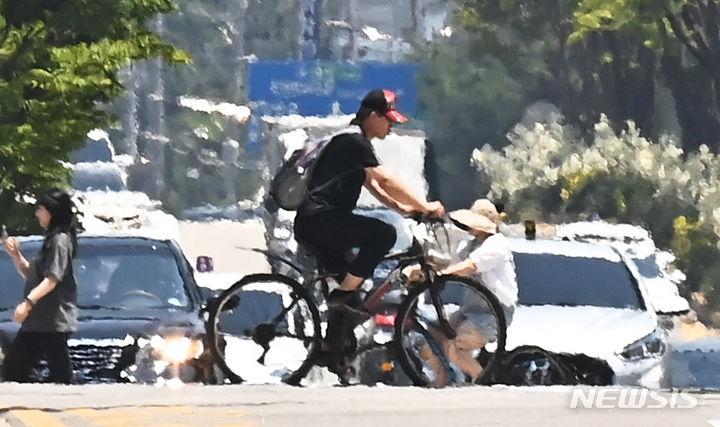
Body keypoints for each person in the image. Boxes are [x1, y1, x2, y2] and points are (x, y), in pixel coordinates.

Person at [293, 89, 445, 354]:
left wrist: (402, 208)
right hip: (321, 220)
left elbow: (372, 183)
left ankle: (330, 349)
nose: (391, 127)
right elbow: (385, 178)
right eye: (389, 121)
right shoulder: (354, 141)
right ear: (373, 116)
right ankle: (341, 297)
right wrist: (425, 206)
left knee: (350, 293)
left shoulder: (352, 141)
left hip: (317, 222)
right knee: (383, 234)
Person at [404, 204, 517, 386]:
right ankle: (441, 383)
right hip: (470, 310)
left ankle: (481, 381)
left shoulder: (497, 244)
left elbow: (469, 266)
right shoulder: (469, 244)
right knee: (432, 340)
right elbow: (450, 264)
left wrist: (441, 275)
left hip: (494, 314)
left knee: (454, 347)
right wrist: (419, 270)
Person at [2, 188, 80, 383]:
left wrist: (27, 303)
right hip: (38, 322)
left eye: (40, 209)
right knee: (13, 371)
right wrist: (16, 255)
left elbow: (52, 279)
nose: (37, 213)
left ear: (51, 211)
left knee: (60, 375)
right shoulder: (51, 239)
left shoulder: (60, 240)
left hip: (52, 321)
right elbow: (33, 276)